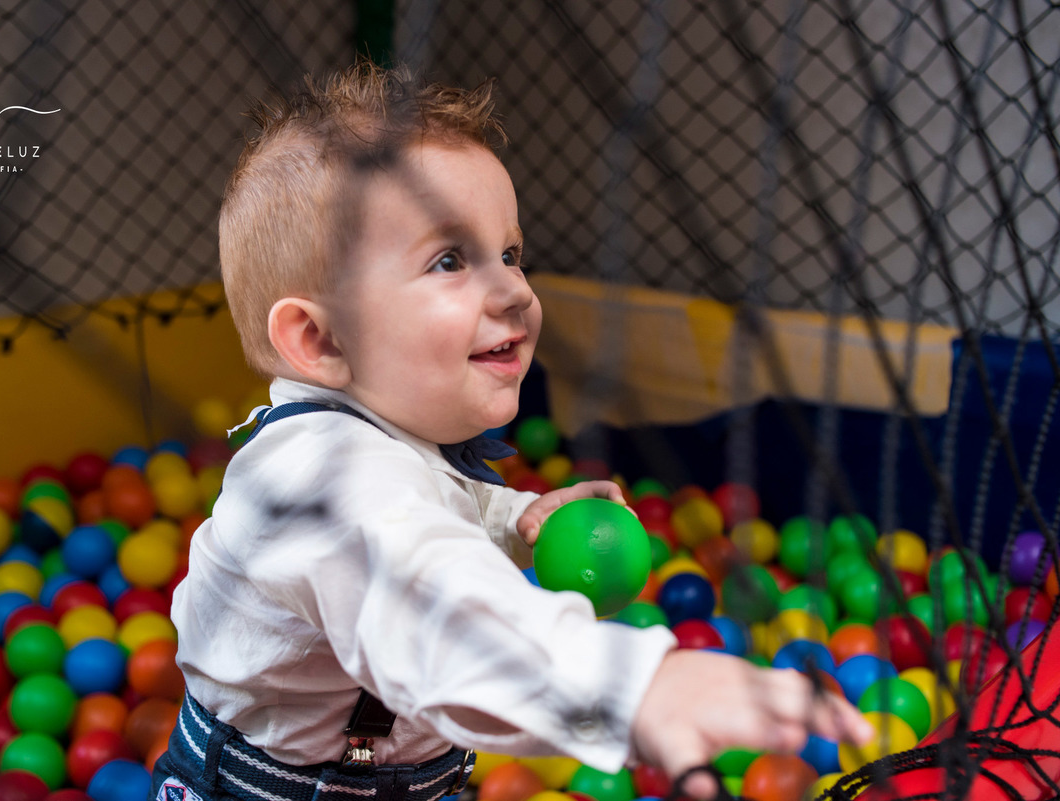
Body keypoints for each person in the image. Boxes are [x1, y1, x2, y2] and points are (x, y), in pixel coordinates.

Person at [151, 61, 871, 801]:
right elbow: (429, 605)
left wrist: (510, 519)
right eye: (449, 260)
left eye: (510, 254)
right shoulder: (317, 478)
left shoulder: (387, 440)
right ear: (323, 340)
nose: (515, 290)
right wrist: (634, 686)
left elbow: (421, 507)